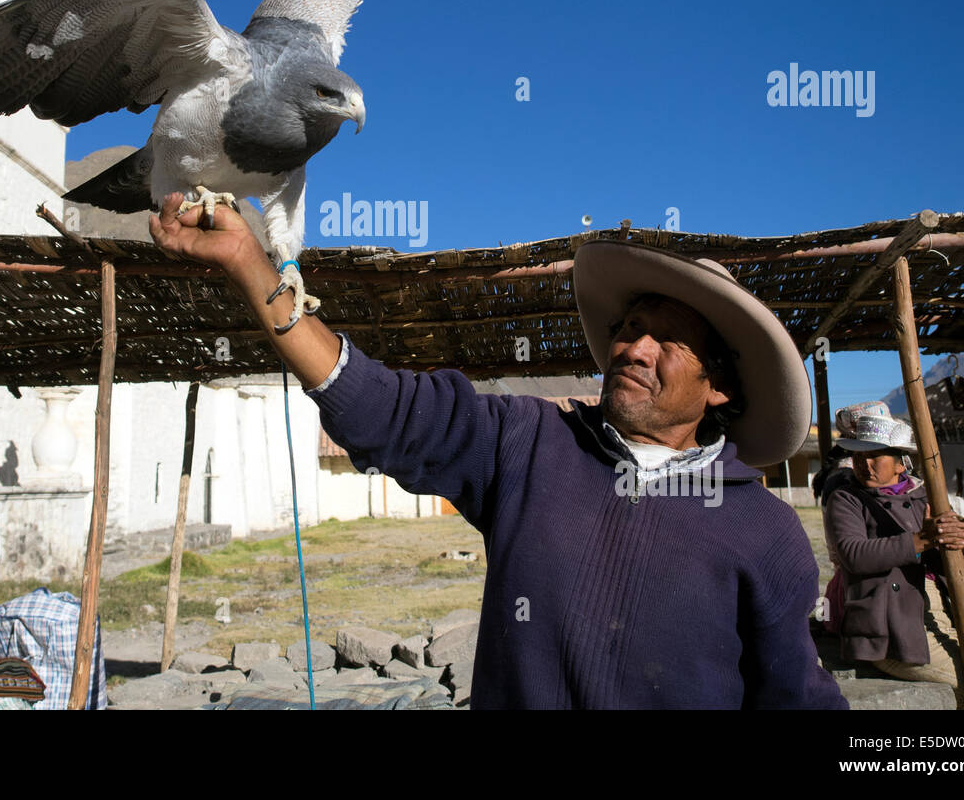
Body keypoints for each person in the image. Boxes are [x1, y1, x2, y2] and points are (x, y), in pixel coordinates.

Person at [150, 193, 846, 709]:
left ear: (718, 385)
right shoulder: (529, 444)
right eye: (630, 327)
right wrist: (251, 263)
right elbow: (382, 409)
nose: (634, 347)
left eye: (668, 339)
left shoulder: (766, 532)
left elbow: (797, 700)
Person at [821, 401, 964, 709]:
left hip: (941, 617)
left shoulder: (926, 497)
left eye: (876, 455)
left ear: (901, 463)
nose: (865, 464)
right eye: (859, 455)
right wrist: (920, 540)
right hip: (891, 628)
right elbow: (853, 554)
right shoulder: (846, 499)